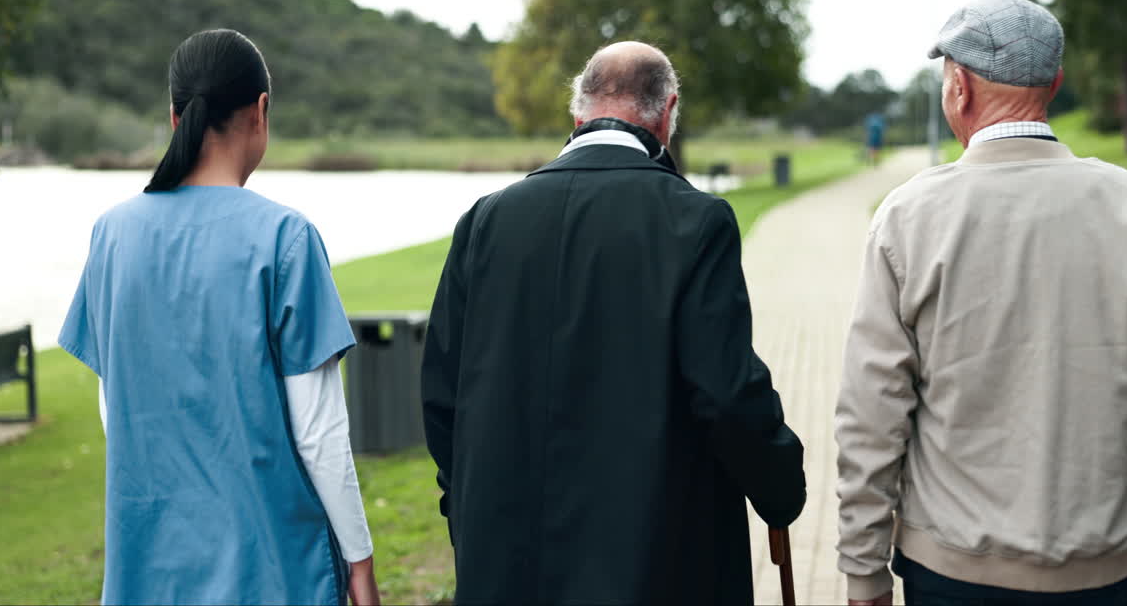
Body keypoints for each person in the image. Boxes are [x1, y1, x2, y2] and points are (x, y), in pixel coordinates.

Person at [835, 0, 1127, 606]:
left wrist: (863, 572)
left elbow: (871, 414)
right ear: (1055, 84)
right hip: (1100, 572)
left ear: (958, 88)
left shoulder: (907, 217)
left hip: (949, 571)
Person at [421, 41, 807, 604]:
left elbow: (442, 394)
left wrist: (468, 511)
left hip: (505, 560)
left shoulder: (486, 219)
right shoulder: (695, 221)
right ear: (667, 112)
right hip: (654, 559)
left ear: (577, 113)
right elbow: (725, 393)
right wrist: (778, 488)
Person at [59, 29, 380, 605]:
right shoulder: (286, 238)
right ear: (260, 110)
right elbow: (320, 436)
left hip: (147, 570)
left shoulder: (112, 234)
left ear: (175, 117)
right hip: (276, 568)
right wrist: (360, 561)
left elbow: (118, 410)